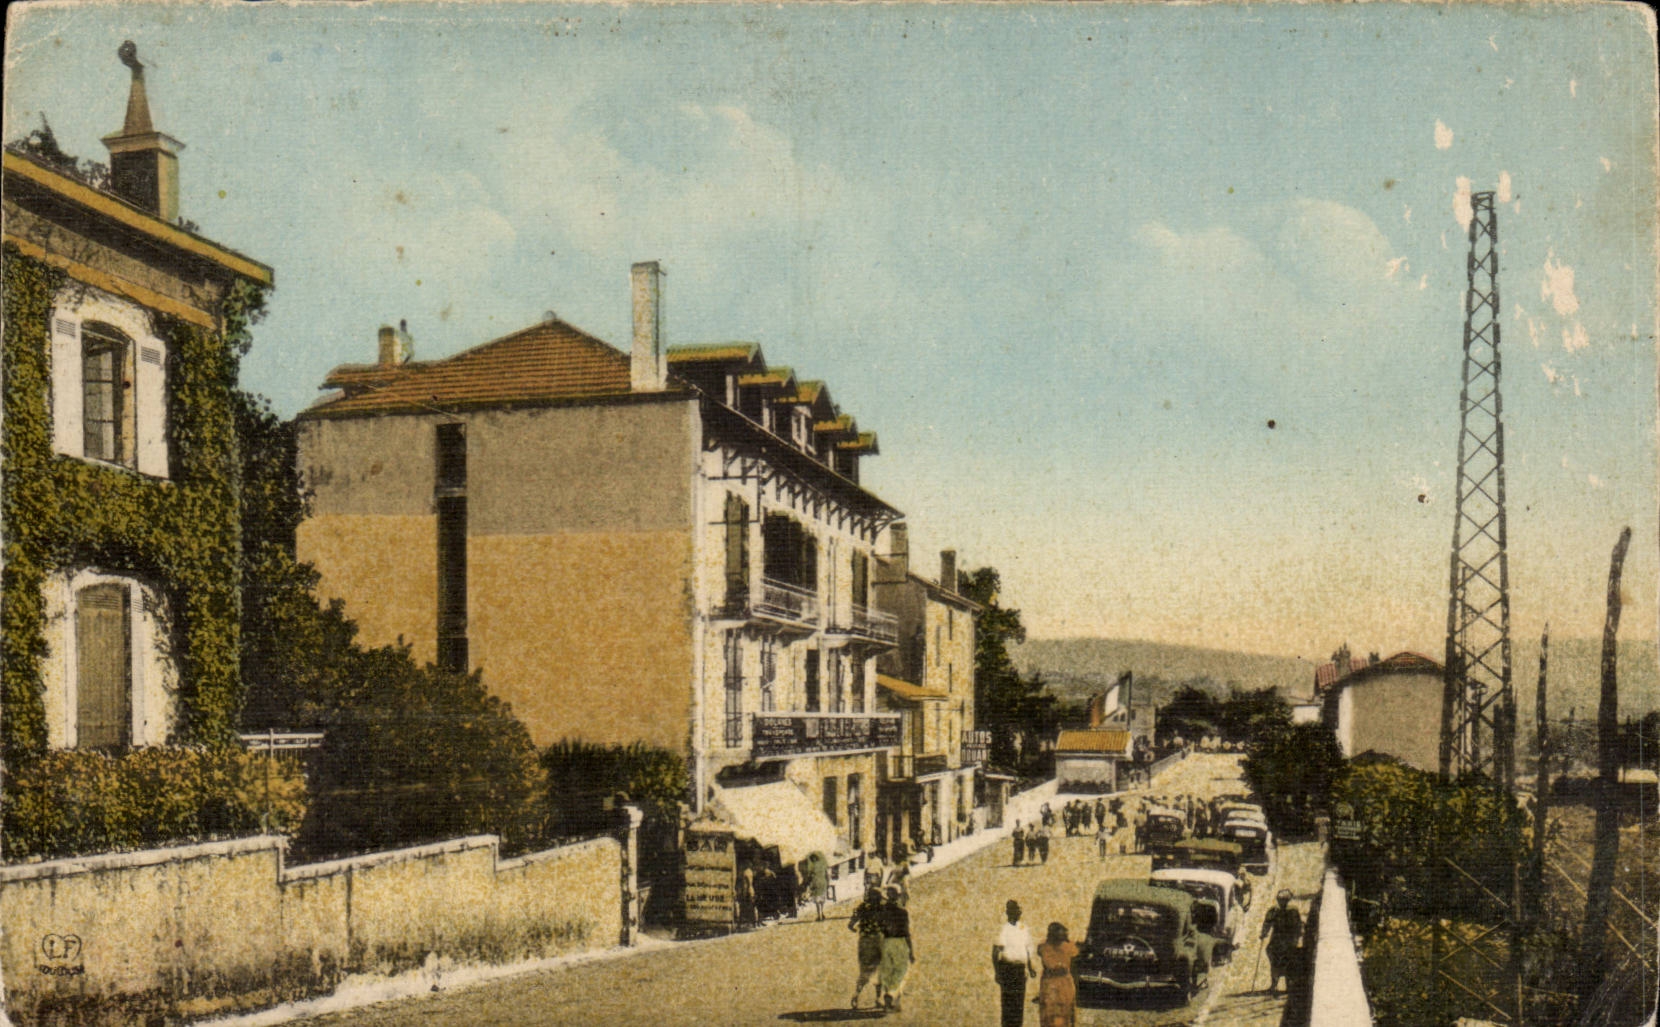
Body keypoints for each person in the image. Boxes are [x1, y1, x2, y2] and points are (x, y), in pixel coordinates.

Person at [991, 899, 1038, 1027]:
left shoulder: (1023, 928)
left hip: (1020, 969)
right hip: (1007, 969)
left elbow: (1027, 948)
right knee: (1008, 1003)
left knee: (1019, 1003)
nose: (1018, 913)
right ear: (1008, 912)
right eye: (1015, 910)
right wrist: (997, 972)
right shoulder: (1003, 929)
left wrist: (1030, 967)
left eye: (1019, 910)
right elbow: (995, 952)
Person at [848, 885, 887, 1009]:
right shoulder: (883, 908)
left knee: (865, 970)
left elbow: (850, 925)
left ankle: (856, 995)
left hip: (865, 941)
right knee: (880, 970)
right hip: (879, 940)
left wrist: (856, 928)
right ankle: (878, 998)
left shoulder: (862, 907)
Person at [878, 886, 914, 1011]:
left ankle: (889, 996)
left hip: (886, 941)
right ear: (898, 895)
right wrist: (911, 952)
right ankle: (892, 994)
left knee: (887, 970)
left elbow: (879, 928)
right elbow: (906, 933)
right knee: (901, 970)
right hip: (899, 942)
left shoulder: (883, 910)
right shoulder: (902, 911)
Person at [1036, 922, 1080, 1027]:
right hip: (1053, 984)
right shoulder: (1045, 947)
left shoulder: (1068, 947)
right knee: (1052, 1013)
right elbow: (1050, 964)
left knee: (1063, 1012)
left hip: (1062, 983)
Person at [1261, 890, 1303, 995]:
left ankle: (1288, 985)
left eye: (1284, 900)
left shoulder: (1293, 911)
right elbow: (1267, 923)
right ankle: (1274, 985)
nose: (1281, 902)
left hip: (1289, 940)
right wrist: (1263, 933)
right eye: (1280, 900)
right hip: (1278, 940)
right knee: (1274, 960)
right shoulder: (1274, 911)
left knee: (1288, 962)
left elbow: (1298, 925)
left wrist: (1297, 936)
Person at [804, 852, 830, 922]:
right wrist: (828, 883)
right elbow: (827, 875)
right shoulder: (823, 865)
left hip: (816, 884)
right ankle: (822, 912)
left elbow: (810, 877)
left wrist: (808, 885)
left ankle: (819, 916)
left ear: (812, 860)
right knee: (822, 900)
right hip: (823, 883)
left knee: (817, 901)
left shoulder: (812, 867)